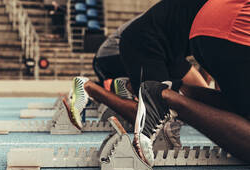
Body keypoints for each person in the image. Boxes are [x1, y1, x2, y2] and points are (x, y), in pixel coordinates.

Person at [66, 3, 209, 140]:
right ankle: (89, 87)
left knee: (200, 98)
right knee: (153, 117)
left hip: (169, 50)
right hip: (120, 51)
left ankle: (127, 86)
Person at [132, 0, 250, 165]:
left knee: (240, 109)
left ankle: (176, 91)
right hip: (237, 27)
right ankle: (164, 97)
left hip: (209, 21)